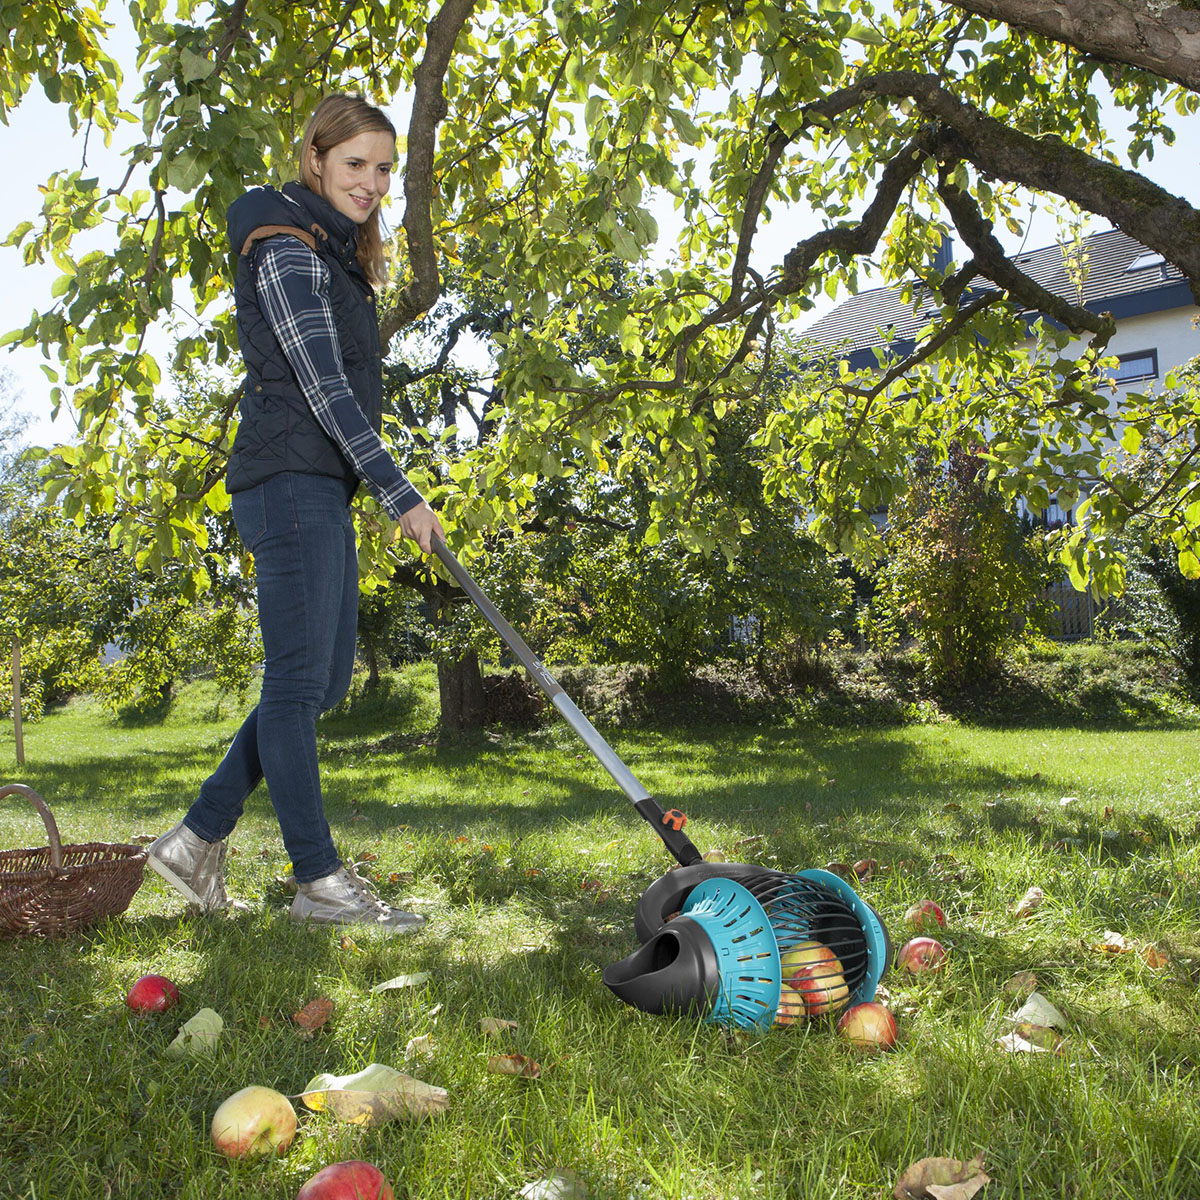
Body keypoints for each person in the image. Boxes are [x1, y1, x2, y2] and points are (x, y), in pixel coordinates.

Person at [148, 94, 444, 932]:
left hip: (314, 481)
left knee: (323, 678)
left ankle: (196, 840)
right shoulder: (286, 247)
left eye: (385, 169)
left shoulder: (331, 249)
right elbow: (325, 388)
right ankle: (318, 883)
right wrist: (401, 493)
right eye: (357, 164)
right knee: (296, 683)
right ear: (315, 158)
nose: (374, 183)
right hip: (287, 480)